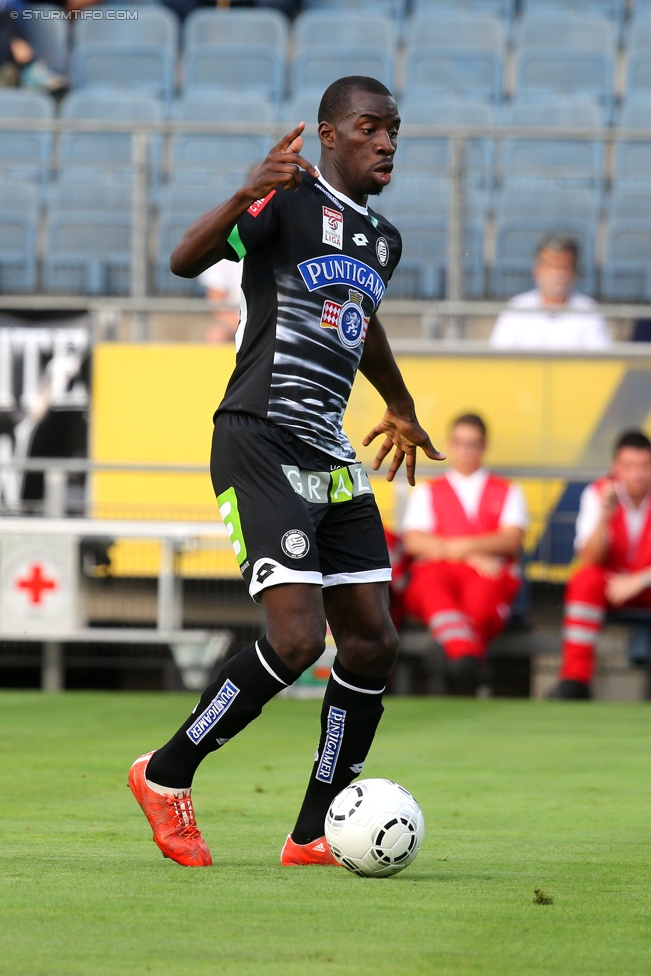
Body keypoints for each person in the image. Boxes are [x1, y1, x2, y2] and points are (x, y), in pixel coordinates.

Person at [127, 75, 445, 868]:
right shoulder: (287, 203)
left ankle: (310, 833)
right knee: (298, 638)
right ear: (329, 135)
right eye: (370, 128)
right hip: (260, 437)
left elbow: (358, 324)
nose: (386, 142)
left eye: (393, 131)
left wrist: (400, 403)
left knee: (371, 642)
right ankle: (165, 775)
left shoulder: (382, 240)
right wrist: (245, 192)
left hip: (330, 451)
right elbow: (182, 259)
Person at [401, 413, 528, 695]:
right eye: (460, 443)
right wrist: (471, 553)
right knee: (433, 588)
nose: (466, 451)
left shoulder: (507, 490)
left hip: (487, 574)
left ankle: (452, 656)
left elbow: (511, 539)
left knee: (481, 604)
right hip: (442, 572)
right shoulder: (428, 490)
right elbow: (413, 541)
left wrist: (452, 548)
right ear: (450, 444)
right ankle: (469, 664)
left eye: (472, 444)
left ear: (484, 446)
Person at [549, 430, 651, 700]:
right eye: (629, 466)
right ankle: (575, 678)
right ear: (615, 468)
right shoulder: (598, 494)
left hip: (645, 585)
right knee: (584, 580)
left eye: (644, 465)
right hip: (613, 585)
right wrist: (605, 518)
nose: (638, 474)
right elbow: (590, 558)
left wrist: (639, 580)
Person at [490, 234, 610, 350]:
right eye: (550, 266)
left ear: (575, 272)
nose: (557, 273)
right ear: (536, 270)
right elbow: (497, 358)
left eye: (564, 267)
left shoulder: (590, 311)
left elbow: (602, 361)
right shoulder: (516, 308)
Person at [198, 258, 243, 343]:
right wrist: (242, 327)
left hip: (266, 322)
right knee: (216, 336)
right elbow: (216, 303)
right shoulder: (224, 258)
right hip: (236, 323)